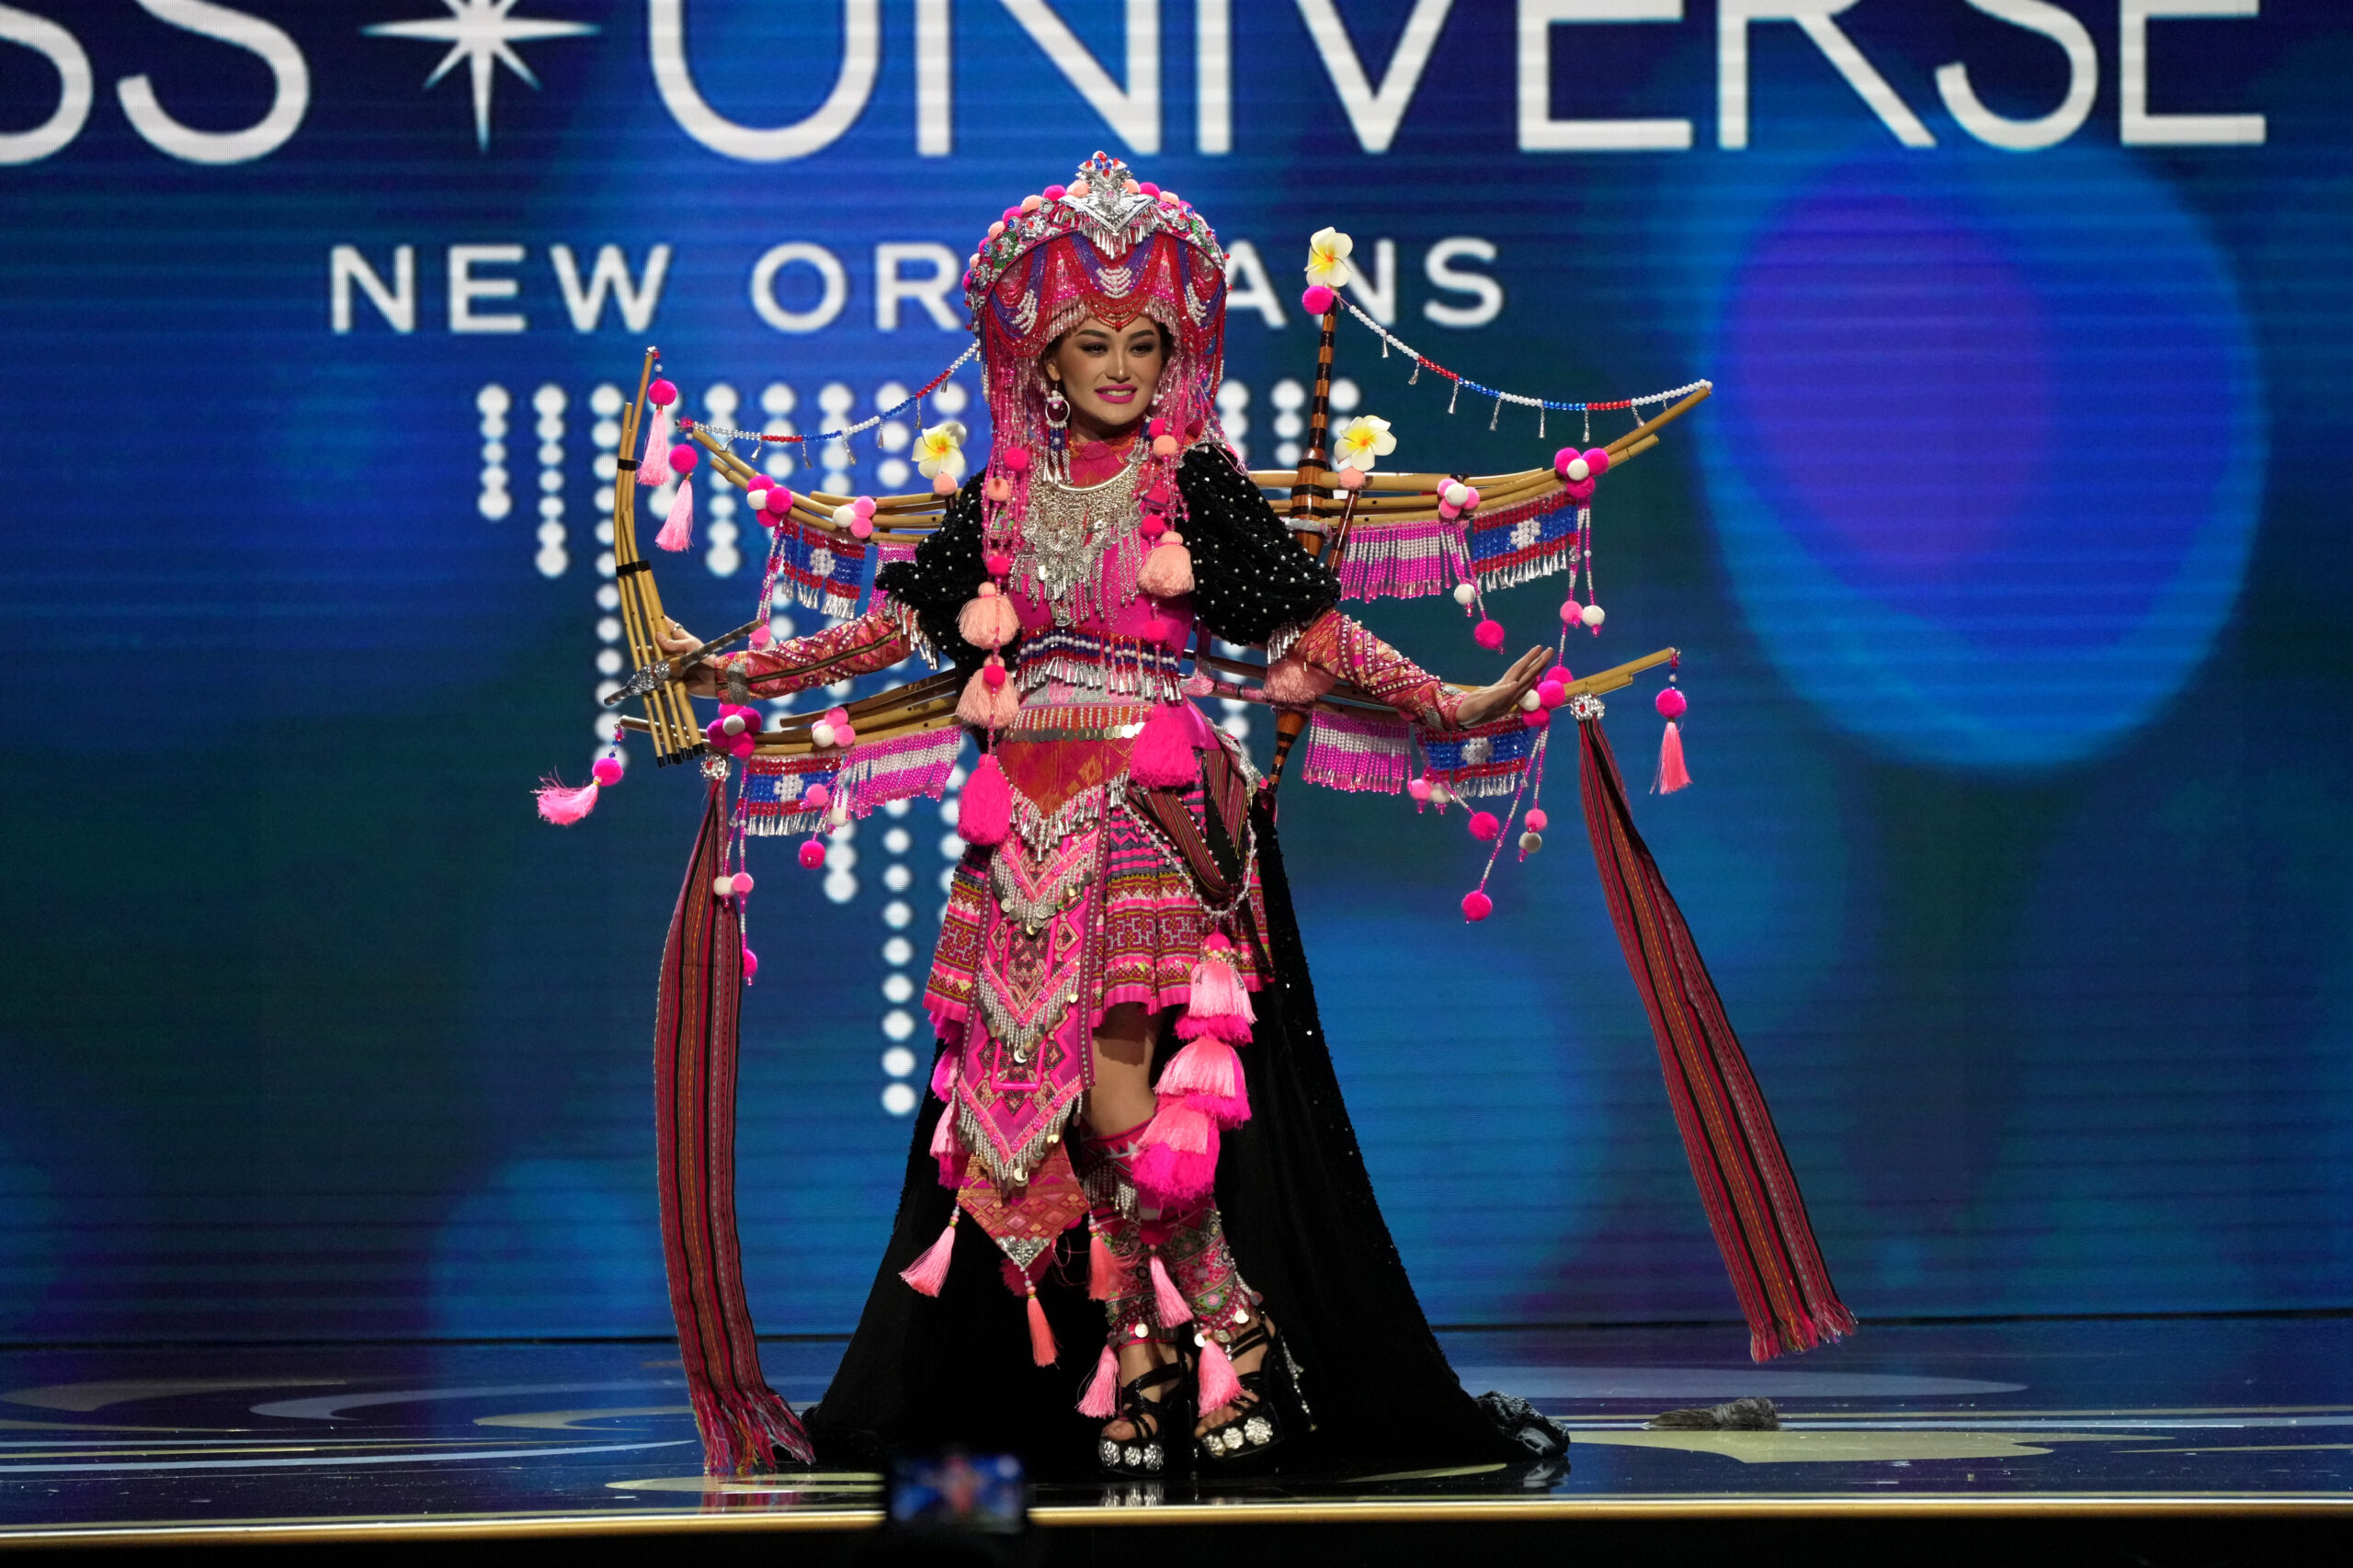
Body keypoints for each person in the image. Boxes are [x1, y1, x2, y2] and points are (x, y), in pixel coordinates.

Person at [656, 153, 1554, 1481]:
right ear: (1046, 359)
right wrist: (747, 667)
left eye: (1146, 341)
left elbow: (1314, 630)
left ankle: (1236, 1326)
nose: (1123, 365)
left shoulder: (1194, 488)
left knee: (1128, 1092)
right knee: (1053, 1115)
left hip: (1146, 808)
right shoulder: (1004, 502)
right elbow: (889, 628)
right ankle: (1138, 1365)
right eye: (1095, 342)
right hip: (1023, 827)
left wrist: (1456, 700)